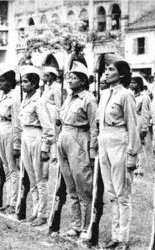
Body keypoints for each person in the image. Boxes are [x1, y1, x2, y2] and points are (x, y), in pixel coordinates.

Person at [97, 56, 140, 250]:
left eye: (111, 70)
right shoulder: (105, 94)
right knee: (111, 193)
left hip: (120, 142)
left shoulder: (126, 95)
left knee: (123, 194)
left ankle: (123, 238)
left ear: (121, 74)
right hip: (104, 141)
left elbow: (133, 126)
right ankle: (114, 235)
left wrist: (132, 154)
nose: (106, 72)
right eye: (106, 69)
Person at [57, 62, 98, 239]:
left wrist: (92, 149)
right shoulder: (68, 97)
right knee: (70, 186)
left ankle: (86, 227)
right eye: (69, 77)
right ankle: (75, 224)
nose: (70, 80)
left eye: (74, 78)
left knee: (84, 186)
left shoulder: (88, 99)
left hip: (80, 138)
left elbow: (94, 126)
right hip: (65, 137)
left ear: (83, 81)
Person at [13, 65, 54, 226]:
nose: (23, 85)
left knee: (41, 178)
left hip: (37, 136)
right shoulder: (25, 100)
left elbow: (48, 128)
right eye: (21, 82)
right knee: (31, 178)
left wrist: (45, 148)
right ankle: (36, 211)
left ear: (34, 84)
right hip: (26, 136)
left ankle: (43, 214)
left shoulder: (40, 101)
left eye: (26, 82)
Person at [0, 65, 20, 214]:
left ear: (10, 82)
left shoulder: (15, 97)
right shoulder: (0, 96)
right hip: (0, 129)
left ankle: (14, 202)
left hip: (9, 129)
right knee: (5, 167)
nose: (0, 84)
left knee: (13, 168)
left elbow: (16, 121)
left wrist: (17, 143)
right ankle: (9, 200)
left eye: (3, 81)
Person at [129, 76, 152, 177]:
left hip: (139, 122)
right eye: (131, 83)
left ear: (139, 84)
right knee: (132, 145)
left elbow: (145, 113)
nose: (131, 85)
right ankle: (133, 165)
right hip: (131, 123)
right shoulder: (130, 95)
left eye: (134, 83)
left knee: (141, 146)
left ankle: (140, 168)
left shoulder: (144, 97)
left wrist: (144, 128)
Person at [42, 66, 62, 163]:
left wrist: (59, 117)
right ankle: (50, 152)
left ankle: (55, 155)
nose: (45, 78)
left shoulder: (57, 87)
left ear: (51, 77)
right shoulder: (47, 86)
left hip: (53, 111)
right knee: (48, 131)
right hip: (46, 111)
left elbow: (58, 103)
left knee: (54, 132)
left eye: (47, 76)